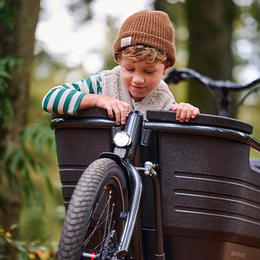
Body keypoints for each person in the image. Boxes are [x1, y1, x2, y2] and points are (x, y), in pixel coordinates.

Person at [42, 10, 199, 124]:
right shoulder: (102, 83)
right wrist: (97, 100)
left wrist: (184, 111)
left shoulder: (164, 99)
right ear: (119, 61)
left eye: (149, 71)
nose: (137, 79)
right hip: (98, 162)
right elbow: (50, 99)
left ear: (166, 68)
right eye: (129, 69)